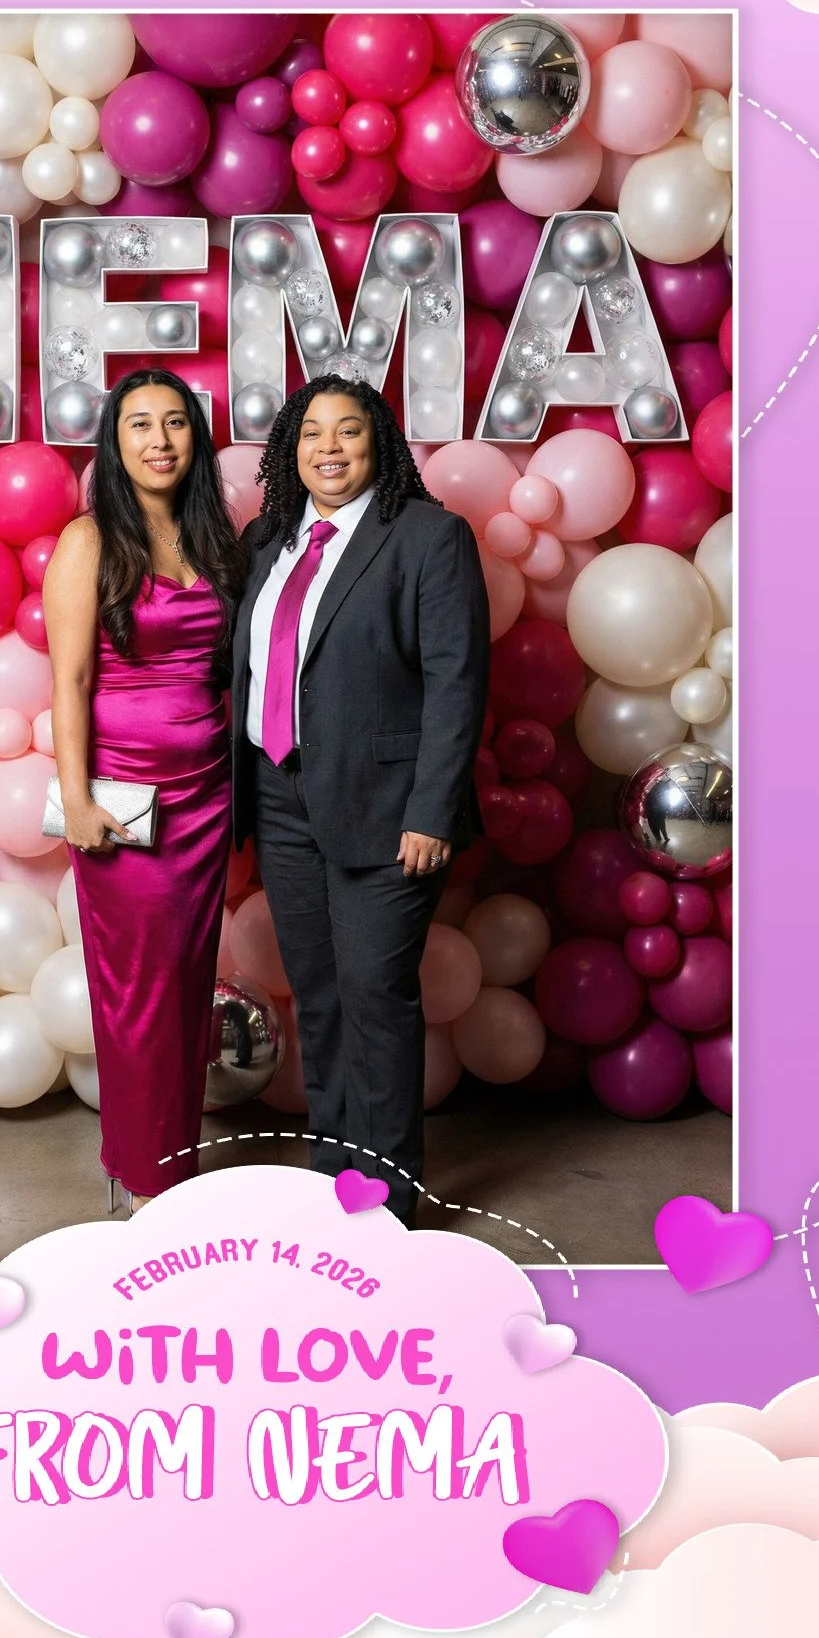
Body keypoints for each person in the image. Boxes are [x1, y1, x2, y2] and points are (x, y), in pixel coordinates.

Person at [231, 374, 490, 1225]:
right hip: (280, 795)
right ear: (290, 451)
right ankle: (333, 1178)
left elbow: (458, 682)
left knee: (378, 996)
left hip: (387, 807)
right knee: (321, 994)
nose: (329, 449)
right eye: (312, 434)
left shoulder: (426, 537)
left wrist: (432, 809)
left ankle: (388, 1203)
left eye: (348, 432)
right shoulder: (269, 541)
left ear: (377, 442)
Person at [44, 369, 247, 1212]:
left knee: (187, 993)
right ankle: (139, 1183)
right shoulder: (88, 540)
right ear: (114, 442)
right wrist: (79, 800)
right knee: (137, 1000)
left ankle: (175, 1176)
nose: (159, 439)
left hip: (207, 798)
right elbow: (71, 680)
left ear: (194, 440)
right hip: (124, 804)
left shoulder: (214, 539)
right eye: (139, 425)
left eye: (174, 423)